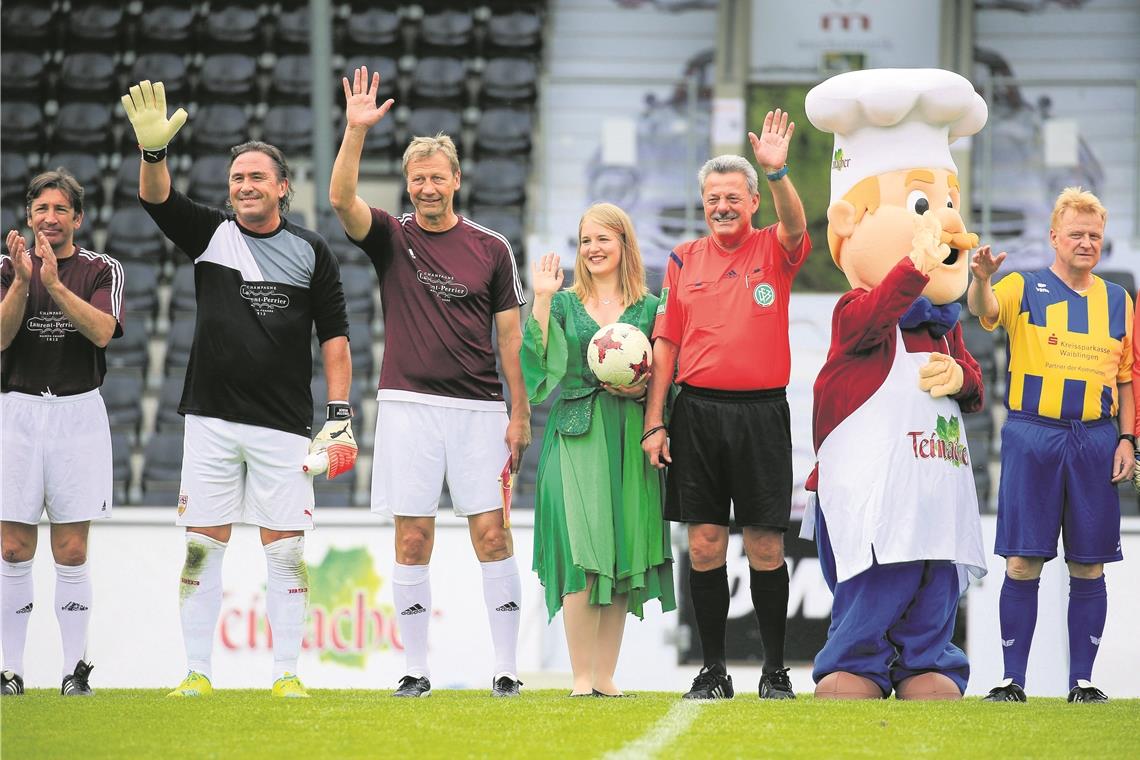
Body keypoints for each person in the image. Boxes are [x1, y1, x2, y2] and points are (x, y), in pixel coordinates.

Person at [120, 79, 356, 699]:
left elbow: (335, 337)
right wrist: (152, 154)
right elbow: (158, 200)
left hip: (283, 425)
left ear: (283, 186)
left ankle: (286, 675)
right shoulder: (211, 235)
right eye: (236, 178)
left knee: (285, 556)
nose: (244, 186)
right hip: (213, 419)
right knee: (202, 549)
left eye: (257, 177)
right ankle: (197, 672)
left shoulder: (312, 250)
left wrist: (339, 413)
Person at [329, 67, 530, 698]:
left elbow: (510, 339)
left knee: (491, 535)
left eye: (437, 177)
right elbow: (340, 200)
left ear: (456, 180)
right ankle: (414, 671)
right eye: (417, 179)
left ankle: (506, 670)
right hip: (408, 407)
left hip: (477, 410)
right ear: (409, 186)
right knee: (412, 537)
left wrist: (518, 413)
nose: (427, 187)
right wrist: (355, 133)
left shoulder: (492, 248)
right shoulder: (391, 236)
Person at [803, 68, 989, 701]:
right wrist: (914, 261)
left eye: (947, 202)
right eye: (921, 205)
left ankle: (928, 661)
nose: (945, 223)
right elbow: (880, 308)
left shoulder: (944, 325)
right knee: (879, 576)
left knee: (934, 574)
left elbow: (976, 387)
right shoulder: (857, 313)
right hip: (870, 491)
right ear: (849, 222)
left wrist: (961, 374)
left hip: (934, 483)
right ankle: (855, 662)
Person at [642, 110, 809, 700]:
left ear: (753, 201)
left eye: (733, 197)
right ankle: (712, 670)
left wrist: (779, 170)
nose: (722, 207)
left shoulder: (776, 247)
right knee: (706, 544)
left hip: (762, 414)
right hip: (697, 414)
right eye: (712, 198)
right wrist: (655, 421)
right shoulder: (683, 259)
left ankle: (775, 671)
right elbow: (666, 346)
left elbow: (796, 223)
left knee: (766, 545)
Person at [969, 187, 1133, 704]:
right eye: (1077, 234)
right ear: (1054, 237)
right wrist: (980, 279)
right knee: (1022, 561)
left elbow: (1128, 379)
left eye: (1095, 236)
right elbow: (985, 309)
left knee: (1089, 562)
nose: (1086, 243)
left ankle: (1081, 681)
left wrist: (1129, 438)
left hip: (1095, 439)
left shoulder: (1118, 301)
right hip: (1032, 434)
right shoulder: (1023, 285)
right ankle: (1011, 680)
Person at [523, 203, 676, 697]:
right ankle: (580, 677)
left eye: (603, 239)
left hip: (630, 436)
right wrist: (542, 301)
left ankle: (605, 676)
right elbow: (538, 370)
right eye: (585, 240)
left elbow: (668, 378)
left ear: (624, 244)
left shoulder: (650, 308)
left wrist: (645, 393)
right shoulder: (564, 304)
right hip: (576, 434)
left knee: (619, 553)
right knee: (581, 556)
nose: (592, 249)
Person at [1, 170, 124, 697]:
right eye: (40, 209)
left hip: (77, 412)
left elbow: (102, 331)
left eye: (60, 209)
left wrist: (53, 284)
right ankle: (11, 670)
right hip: (17, 411)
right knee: (11, 547)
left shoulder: (102, 269)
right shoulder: (5, 267)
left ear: (78, 217)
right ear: (29, 215)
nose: (49, 218)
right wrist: (26, 282)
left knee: (72, 549)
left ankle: (76, 671)